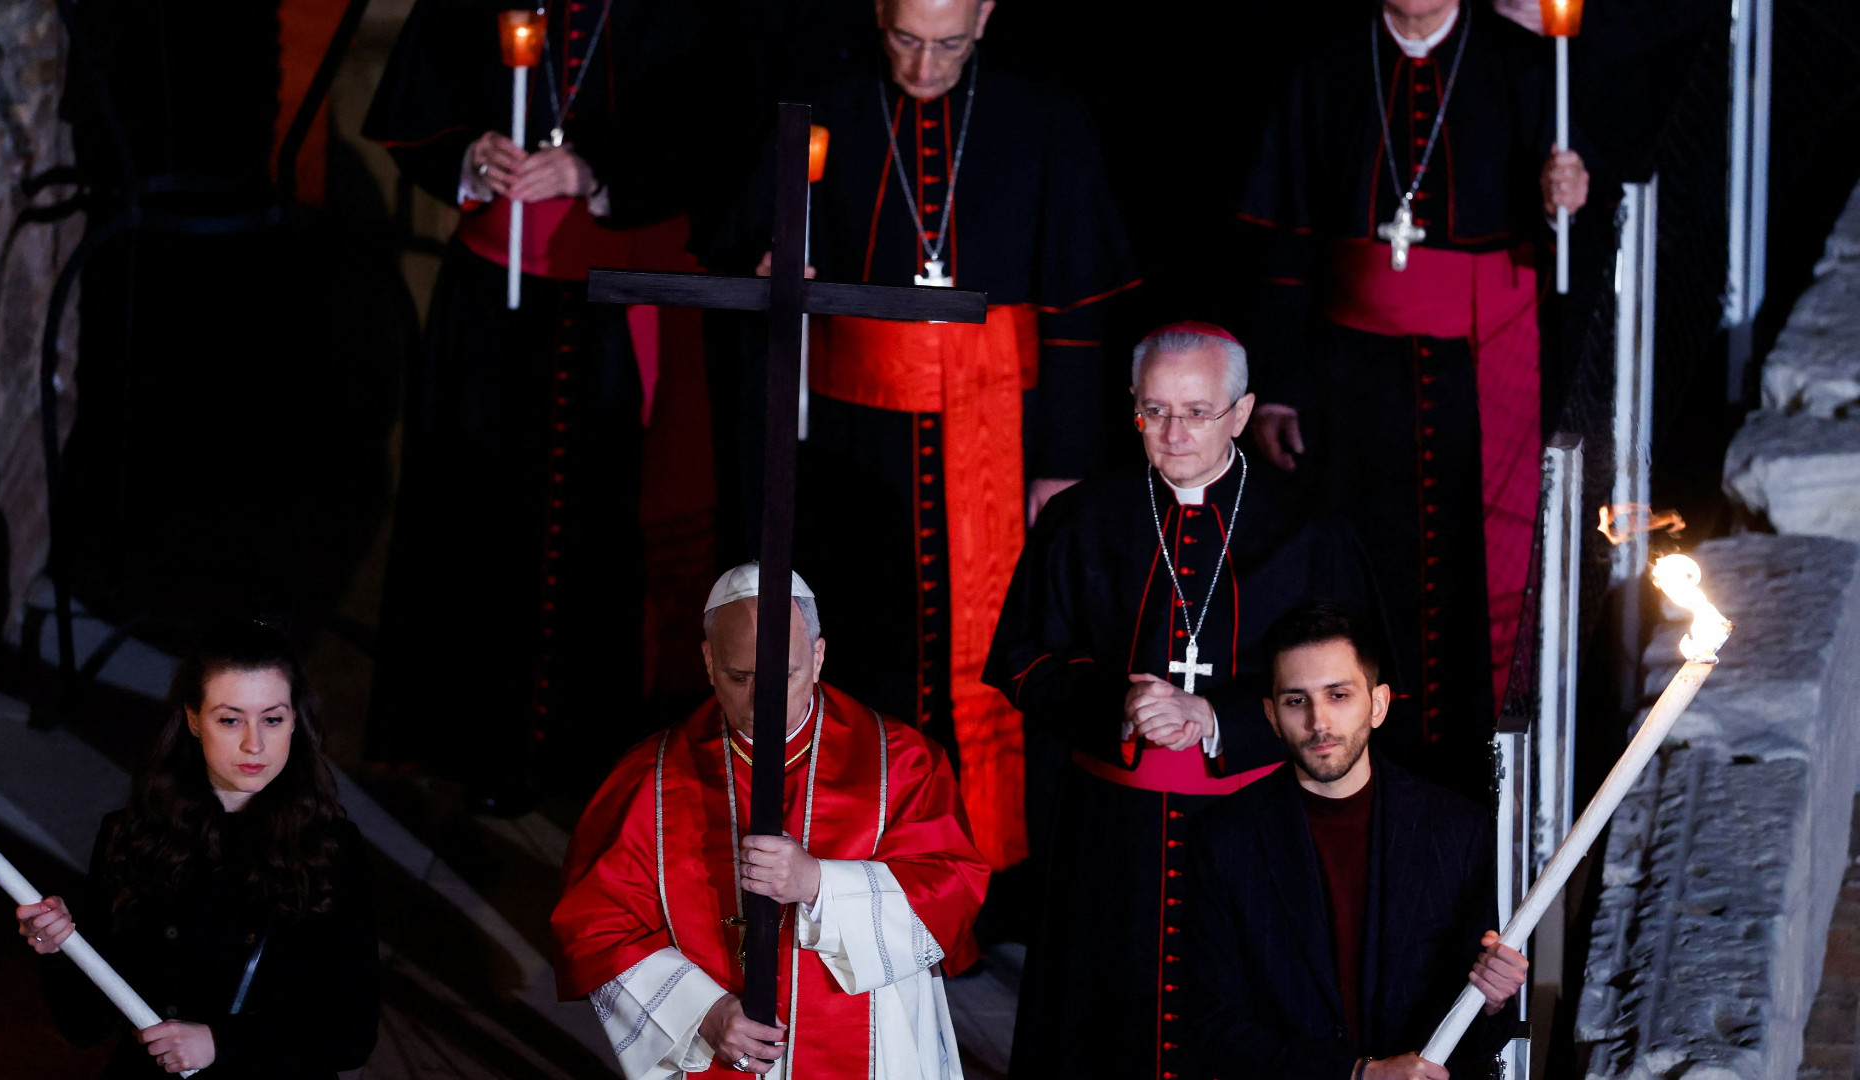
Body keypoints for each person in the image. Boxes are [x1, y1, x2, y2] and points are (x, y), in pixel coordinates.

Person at [710, 0, 1140, 871]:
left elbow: (1078, 305)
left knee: (1004, 652)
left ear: (983, 16)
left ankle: (1001, 870)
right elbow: (749, 238)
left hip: (1005, 433)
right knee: (874, 642)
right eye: (906, 40)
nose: (924, 66)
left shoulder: (1043, 115)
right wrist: (769, 258)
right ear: (879, 13)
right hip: (855, 439)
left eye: (946, 43)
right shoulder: (827, 104)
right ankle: (866, 861)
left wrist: (1062, 461)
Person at [984, 323, 1389, 1080]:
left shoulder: (1309, 528)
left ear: (1242, 413)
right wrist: (1120, 708)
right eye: (1155, 411)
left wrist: (1217, 719)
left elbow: (1354, 687)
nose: (1174, 434)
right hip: (1111, 838)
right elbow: (1021, 662)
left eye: (1198, 412)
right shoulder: (1082, 517)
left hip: (1260, 826)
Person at [360, 0, 719, 812]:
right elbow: (422, 99)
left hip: (625, 299)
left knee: (607, 531)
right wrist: (468, 155)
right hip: (493, 300)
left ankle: (601, 765)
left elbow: (711, 121)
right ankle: (485, 751)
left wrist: (594, 172)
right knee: (482, 522)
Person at [1238, 0, 1591, 794]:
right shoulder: (1325, 67)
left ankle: (1490, 768)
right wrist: (1279, 387)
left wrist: (1563, 200)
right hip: (1352, 381)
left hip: (1492, 368)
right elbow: (1283, 238)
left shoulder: (1529, 64)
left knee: (1484, 573)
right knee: (1362, 563)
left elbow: (1580, 233)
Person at [550, 563, 990, 1079]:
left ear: (818, 657)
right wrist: (703, 1012)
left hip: (868, 1048)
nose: (764, 700)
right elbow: (595, 928)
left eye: (786, 675)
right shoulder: (649, 780)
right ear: (709, 662)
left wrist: (818, 882)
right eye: (740, 677)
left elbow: (952, 890)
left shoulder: (904, 763)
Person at [15, 620, 378, 1078]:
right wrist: (60, 948)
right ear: (193, 720)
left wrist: (219, 1042)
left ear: (294, 722)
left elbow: (352, 1034)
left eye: (272, 719)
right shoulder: (133, 834)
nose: (254, 744)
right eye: (230, 719)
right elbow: (86, 1025)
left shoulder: (331, 850)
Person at [1183, 600, 1529, 1080]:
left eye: (1339, 695)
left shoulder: (1456, 828)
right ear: (1271, 715)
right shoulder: (1222, 840)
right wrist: (1360, 1074)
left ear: (1378, 704)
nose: (1319, 722)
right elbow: (1214, 1030)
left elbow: (1479, 1032)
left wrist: (1494, 1000)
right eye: (1296, 701)